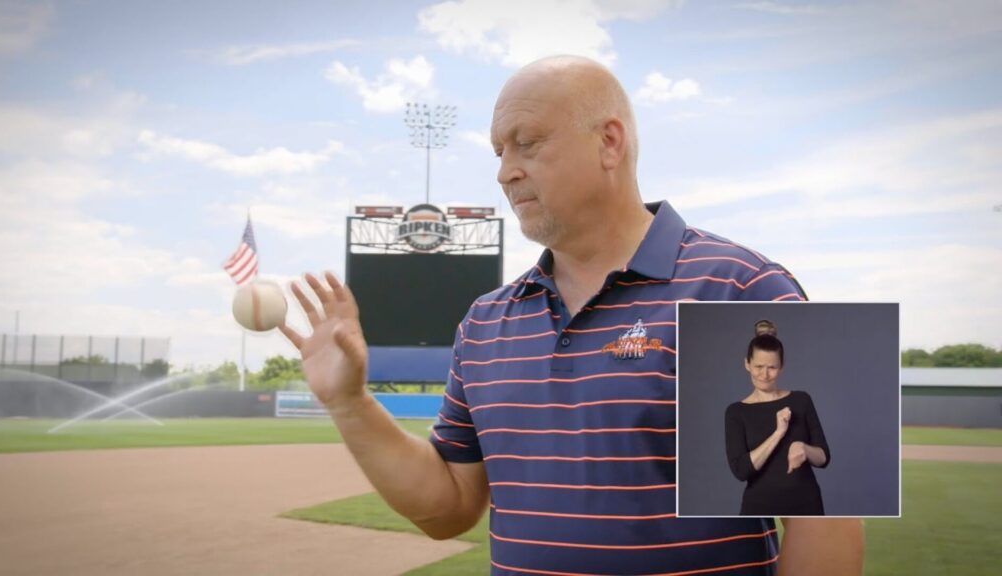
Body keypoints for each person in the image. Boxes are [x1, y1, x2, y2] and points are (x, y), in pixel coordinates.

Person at [281, 56, 863, 576]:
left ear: (610, 142)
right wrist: (350, 404)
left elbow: (825, 521)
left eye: (526, 142)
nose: (504, 171)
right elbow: (449, 509)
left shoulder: (742, 289)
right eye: (498, 152)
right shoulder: (484, 323)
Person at [725, 324, 831, 516]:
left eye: (772, 367)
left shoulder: (801, 400)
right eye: (758, 366)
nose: (764, 375)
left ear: (782, 366)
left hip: (806, 504)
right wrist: (779, 433)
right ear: (747, 364)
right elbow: (741, 471)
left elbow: (824, 458)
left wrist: (804, 449)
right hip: (759, 507)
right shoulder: (736, 412)